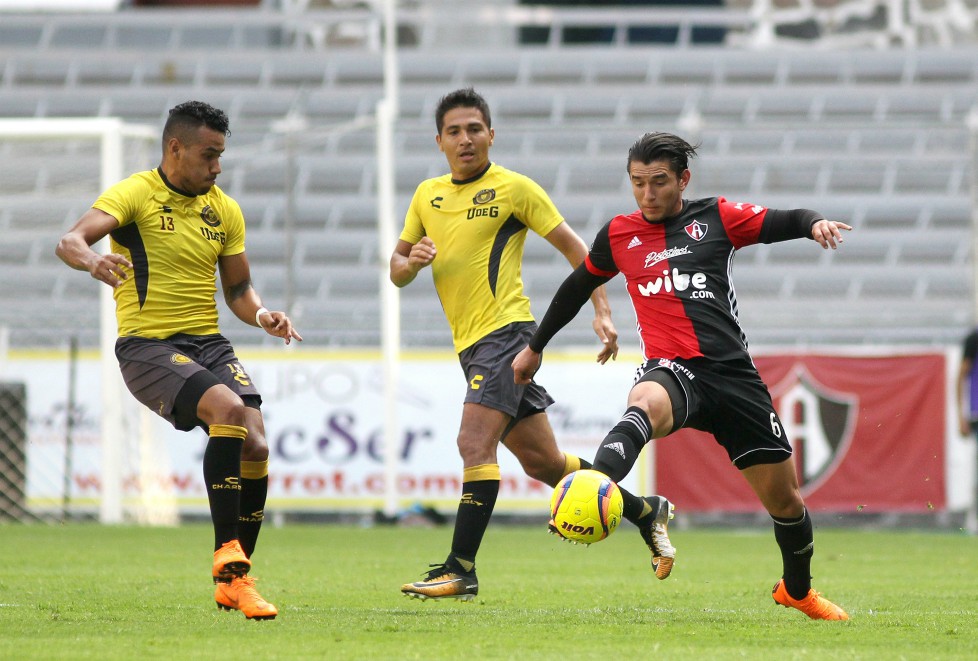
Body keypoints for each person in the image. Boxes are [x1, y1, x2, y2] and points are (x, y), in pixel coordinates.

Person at [513, 131, 852, 621]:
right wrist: (535, 347)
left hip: (733, 377)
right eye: (637, 183)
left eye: (658, 183)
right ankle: (590, 491)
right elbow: (575, 286)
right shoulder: (619, 235)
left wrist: (814, 223)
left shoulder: (716, 218)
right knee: (644, 402)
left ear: (682, 179)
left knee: (787, 501)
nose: (647, 195)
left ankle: (796, 592)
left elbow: (785, 220)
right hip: (673, 369)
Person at [390, 88, 677, 601]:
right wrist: (411, 262)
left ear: (491, 134)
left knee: (473, 444)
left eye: (475, 128)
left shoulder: (514, 189)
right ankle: (643, 510)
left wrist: (603, 310)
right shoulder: (425, 196)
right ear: (439, 140)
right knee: (544, 464)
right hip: (471, 345)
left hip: (506, 335)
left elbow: (580, 251)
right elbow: (396, 270)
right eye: (454, 131)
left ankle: (460, 568)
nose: (465, 139)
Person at [55, 100, 300, 621]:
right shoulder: (136, 194)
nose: (217, 167)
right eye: (209, 155)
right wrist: (94, 259)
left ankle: (236, 581)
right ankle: (227, 556)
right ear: (175, 148)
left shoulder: (224, 210)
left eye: (221, 157)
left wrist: (262, 316)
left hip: (209, 343)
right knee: (229, 412)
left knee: (256, 445)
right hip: (148, 346)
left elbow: (238, 289)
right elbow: (69, 240)